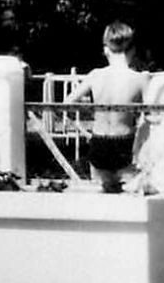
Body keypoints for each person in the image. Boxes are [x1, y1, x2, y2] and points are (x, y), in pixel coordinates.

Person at [63, 21, 148, 193]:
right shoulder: (140, 79)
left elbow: (67, 104)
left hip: (98, 142)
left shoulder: (95, 75)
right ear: (132, 50)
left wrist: (92, 110)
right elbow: (153, 114)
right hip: (125, 142)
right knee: (131, 195)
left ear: (106, 50)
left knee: (103, 197)